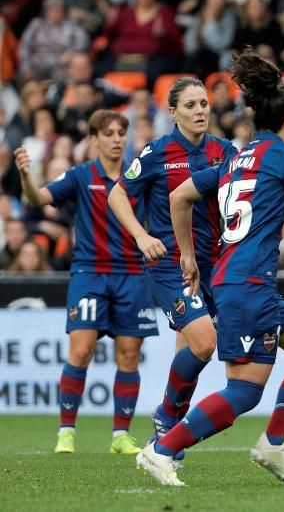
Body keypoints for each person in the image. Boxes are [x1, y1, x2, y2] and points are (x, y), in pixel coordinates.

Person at [137, 49, 284, 486]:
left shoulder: (235, 159)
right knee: (243, 391)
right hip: (249, 283)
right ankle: (161, 450)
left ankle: (273, 444)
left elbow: (179, 195)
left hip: (242, 281)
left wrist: (186, 253)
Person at [107, 77, 237, 459]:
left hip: (214, 264)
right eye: (192, 105)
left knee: (193, 350)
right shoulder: (157, 152)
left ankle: (167, 441)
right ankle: (167, 417)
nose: (200, 111)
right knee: (203, 341)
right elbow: (118, 194)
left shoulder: (224, 150)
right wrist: (141, 236)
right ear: (173, 112)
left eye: (204, 104)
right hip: (171, 265)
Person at [14, 110, 157, 455]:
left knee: (129, 354)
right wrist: (26, 177)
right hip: (89, 274)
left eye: (121, 132)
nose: (117, 139)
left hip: (133, 275)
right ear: (93, 140)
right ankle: (66, 432)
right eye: (108, 133)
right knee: (80, 350)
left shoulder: (139, 175)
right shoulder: (81, 175)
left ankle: (120, 436)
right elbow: (38, 199)